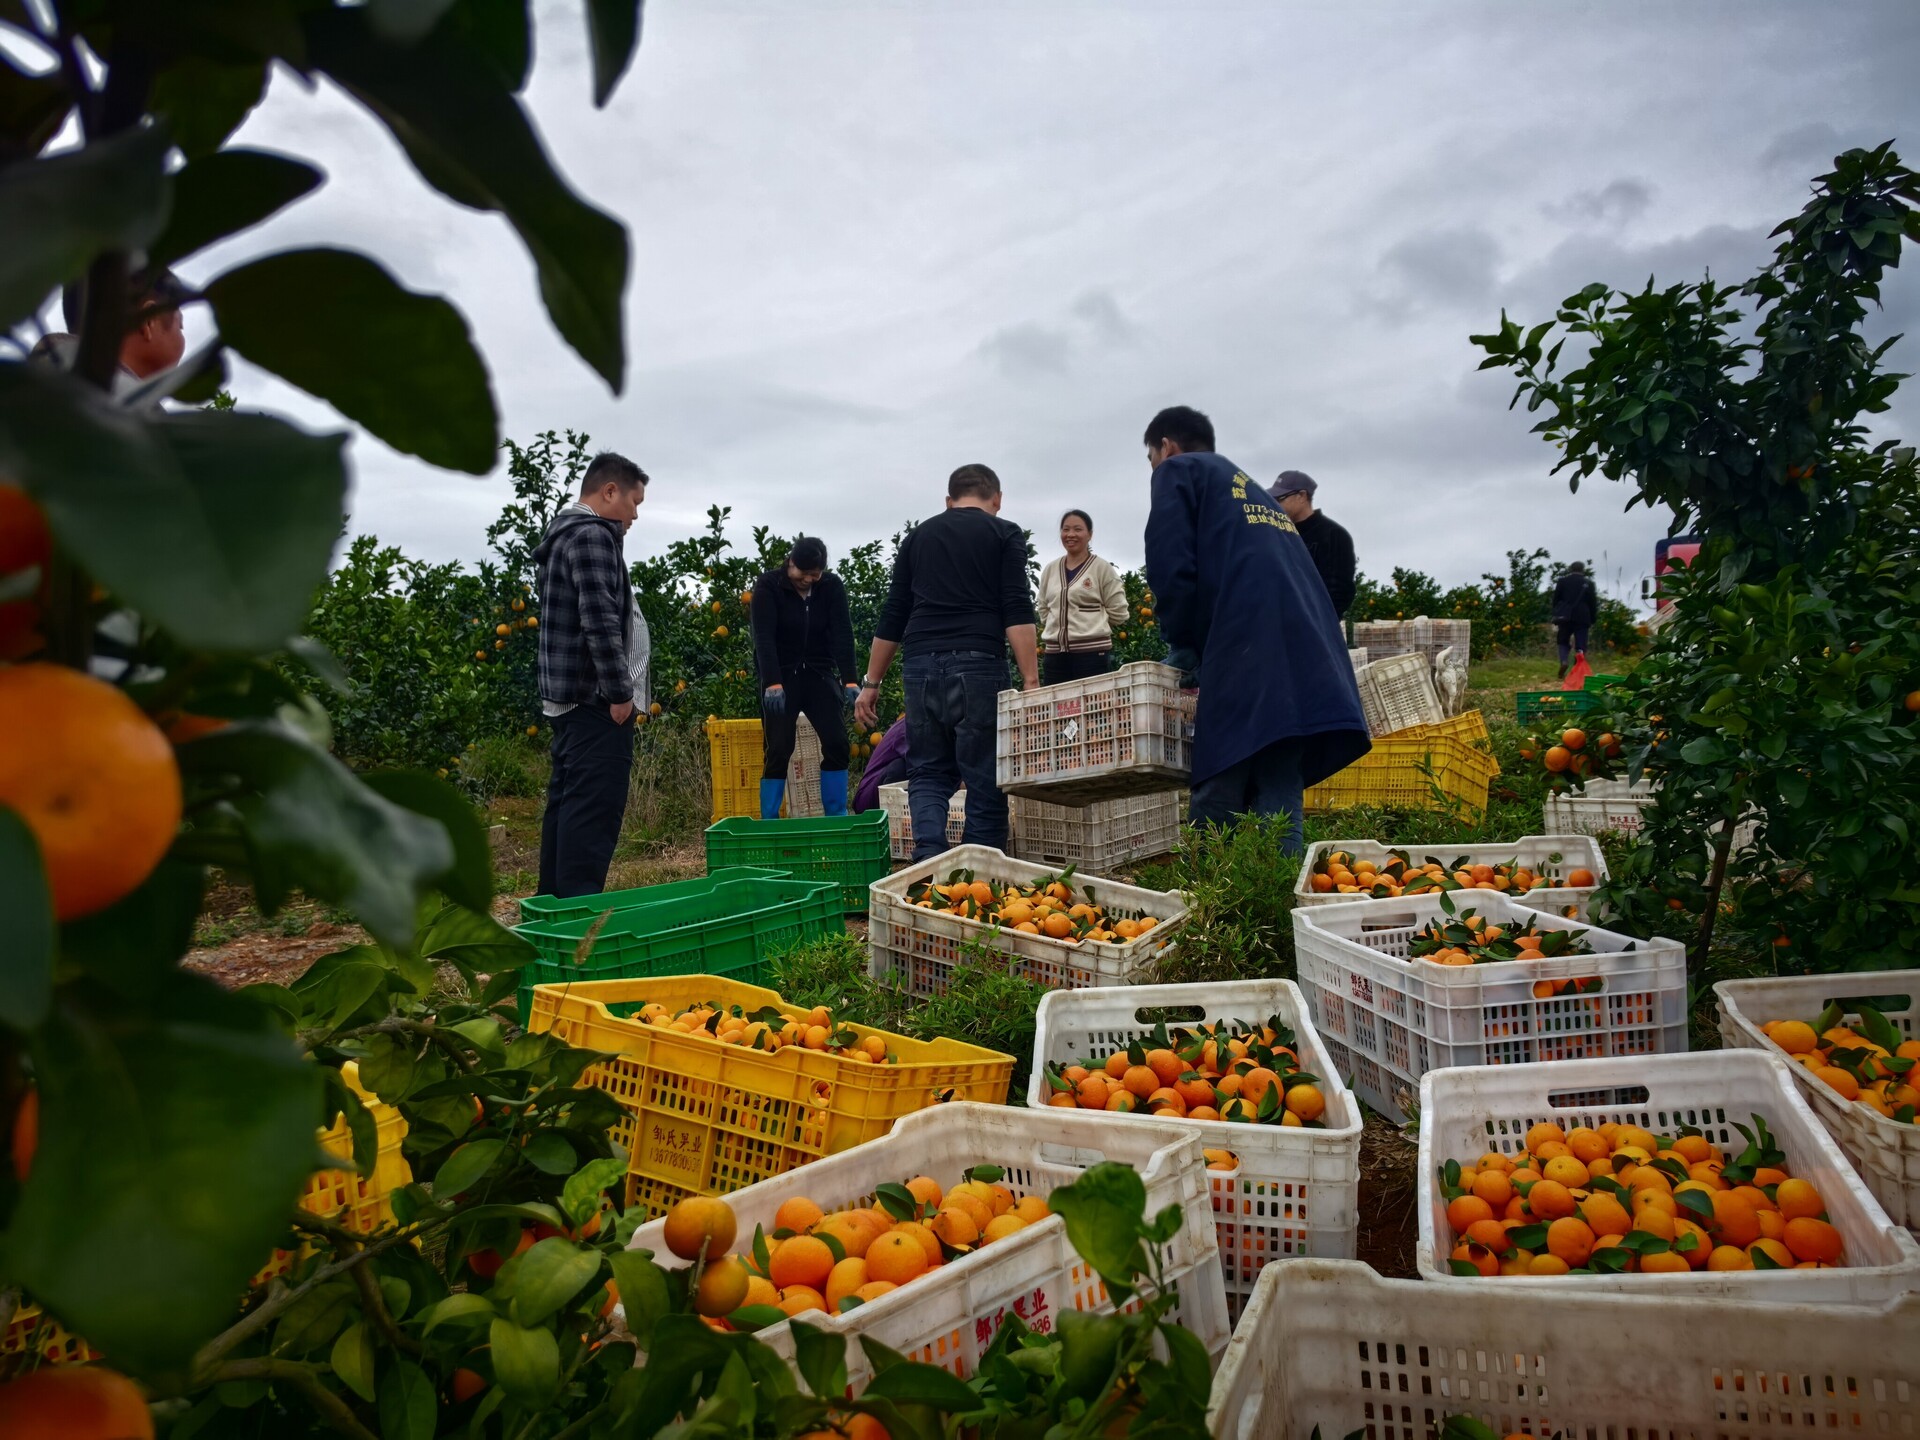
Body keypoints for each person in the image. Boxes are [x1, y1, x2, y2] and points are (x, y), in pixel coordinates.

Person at [1142, 407, 1368, 853]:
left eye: (1151, 458)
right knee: (1279, 769)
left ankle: (1211, 885)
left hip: (1246, 638)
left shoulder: (1178, 471)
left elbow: (1170, 564)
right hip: (1304, 645)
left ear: (1166, 447)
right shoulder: (1250, 490)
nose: (1153, 467)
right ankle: (1279, 885)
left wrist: (1184, 641)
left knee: (1222, 763)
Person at [854, 463, 1038, 858]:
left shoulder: (918, 537)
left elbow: (894, 613)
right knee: (985, 774)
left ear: (949, 500)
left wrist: (871, 683)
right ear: (997, 499)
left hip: (919, 665)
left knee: (927, 770)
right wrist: (1031, 681)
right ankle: (978, 871)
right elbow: (1016, 606)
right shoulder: (1004, 533)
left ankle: (928, 857)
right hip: (978, 664)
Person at [532, 453, 651, 898]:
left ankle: (553, 908)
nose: (635, 515)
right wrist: (620, 693)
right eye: (634, 503)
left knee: (569, 804)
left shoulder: (565, 533)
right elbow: (598, 618)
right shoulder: (592, 535)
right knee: (593, 812)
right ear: (609, 492)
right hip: (595, 700)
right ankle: (577, 915)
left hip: (571, 700)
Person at [751, 535, 858, 817]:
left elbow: (843, 634)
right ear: (791, 563)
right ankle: (770, 820)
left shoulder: (831, 587)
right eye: (804, 572)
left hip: (819, 673)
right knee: (778, 748)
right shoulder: (768, 585)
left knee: (837, 743)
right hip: (781, 678)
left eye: (816, 574)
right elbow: (763, 637)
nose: (809, 579)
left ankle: (836, 815)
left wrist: (850, 679)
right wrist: (771, 681)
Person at [31, 269, 190, 396]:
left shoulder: (45, 379)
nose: (183, 337)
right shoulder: (128, 412)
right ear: (149, 321)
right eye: (180, 326)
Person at [1035, 509, 1129, 685]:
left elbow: (1119, 611)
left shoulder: (1102, 568)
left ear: (1089, 535)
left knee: (1093, 702)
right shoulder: (1050, 569)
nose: (1071, 534)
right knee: (1057, 702)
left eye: (1077, 529)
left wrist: (1093, 627)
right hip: (1055, 656)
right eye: (1066, 529)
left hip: (1092, 655)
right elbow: (1043, 607)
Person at [1269, 471, 1356, 618]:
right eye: (1273, 499)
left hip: (1314, 626)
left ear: (1302, 496)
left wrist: (1314, 622)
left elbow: (1339, 592)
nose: (1275, 504)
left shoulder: (1333, 535)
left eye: (1280, 498)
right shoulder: (1279, 534)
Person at [1551, 561, 1601, 678]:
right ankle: (1577, 667)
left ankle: (1564, 660)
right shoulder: (1588, 583)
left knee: (1563, 640)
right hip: (1582, 617)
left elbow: (1556, 600)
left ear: (1571, 569)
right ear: (1583, 570)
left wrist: (1557, 613)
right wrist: (1593, 619)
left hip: (1565, 616)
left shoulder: (1562, 581)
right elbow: (1593, 603)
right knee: (1581, 643)